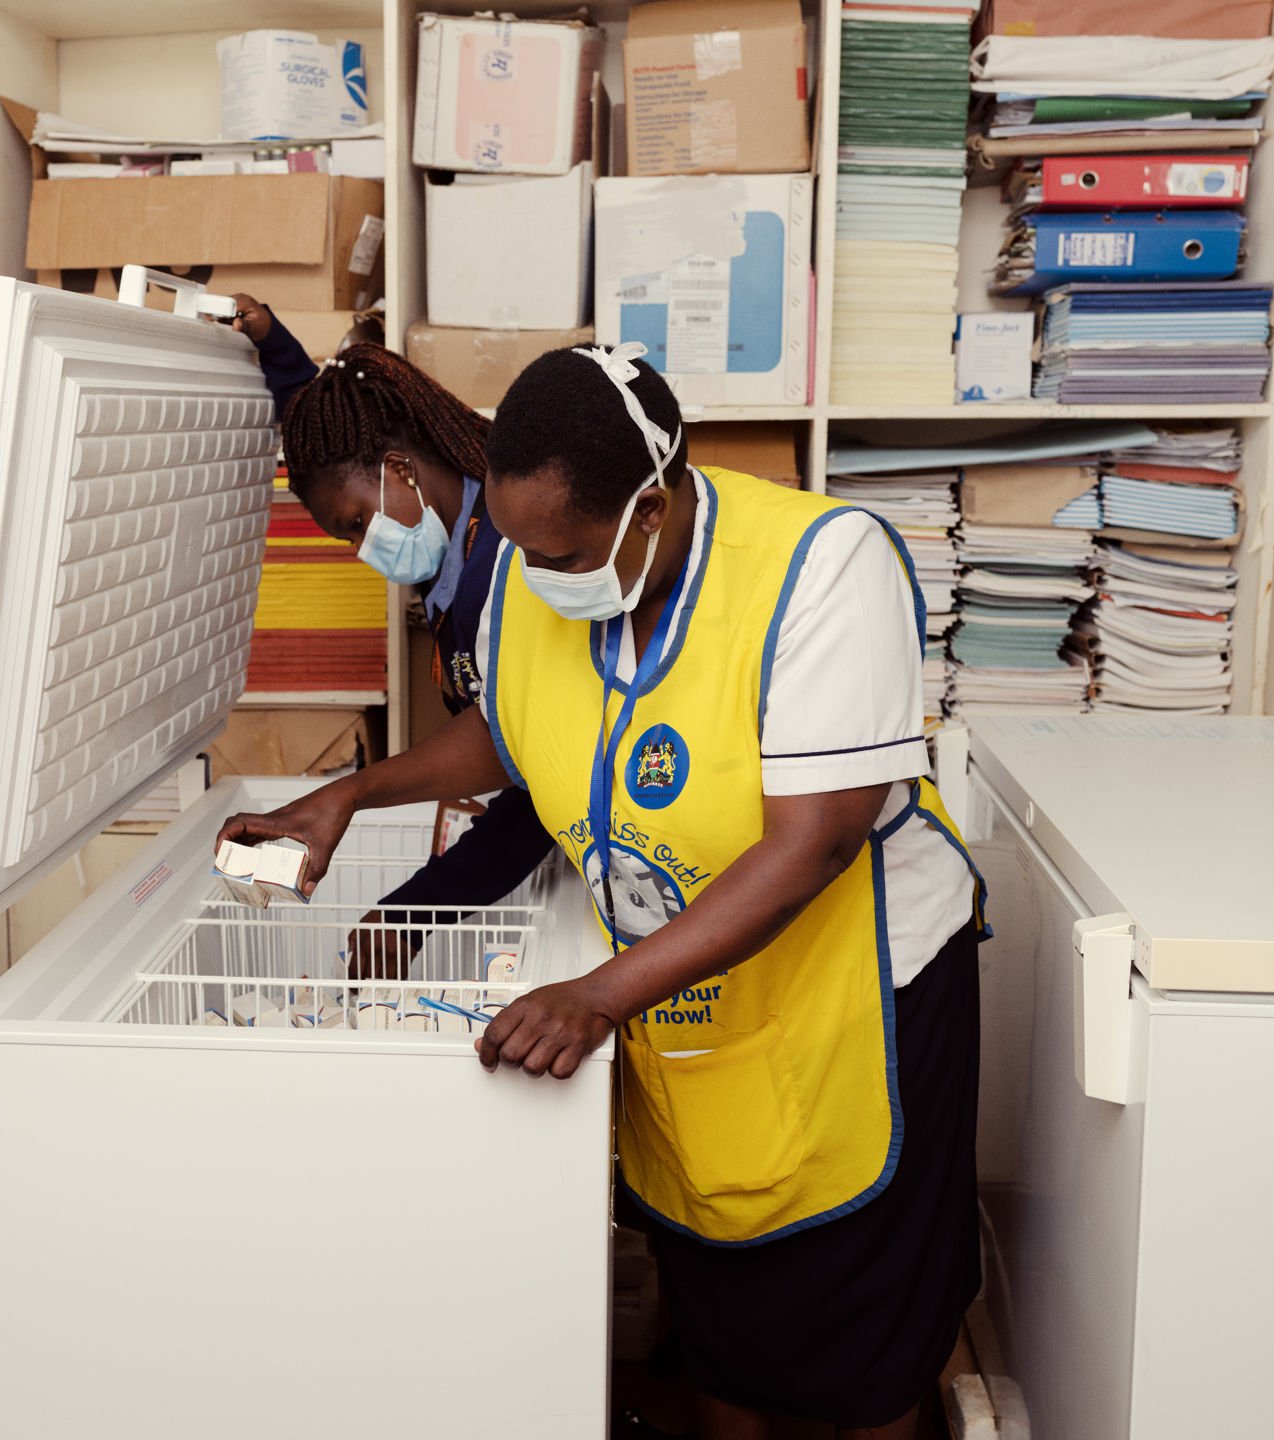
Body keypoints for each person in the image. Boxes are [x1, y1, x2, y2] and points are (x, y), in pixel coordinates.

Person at [219, 342, 988, 1440]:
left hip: (855, 997)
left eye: (566, 551)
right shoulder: (536, 572)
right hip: (683, 987)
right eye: (523, 549)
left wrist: (597, 995)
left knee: (859, 1328)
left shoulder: (822, 566)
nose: (536, 578)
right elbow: (511, 737)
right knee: (717, 1293)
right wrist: (354, 793)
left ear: (654, 502)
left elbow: (812, 844)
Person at [227, 295, 555, 973]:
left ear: (400, 468)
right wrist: (273, 343)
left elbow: (535, 783)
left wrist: (414, 908)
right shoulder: (454, 526)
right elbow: (326, 427)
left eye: (354, 523)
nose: (359, 548)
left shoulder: (516, 568)